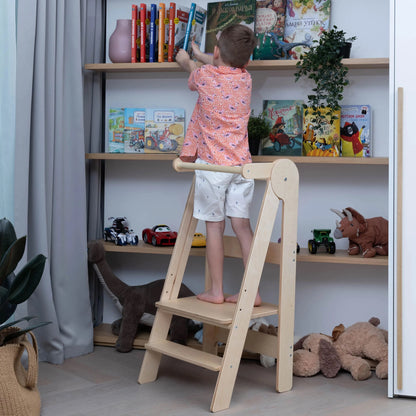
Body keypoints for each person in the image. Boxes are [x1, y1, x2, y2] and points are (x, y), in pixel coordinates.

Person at [175, 24, 261, 306]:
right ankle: (253, 292)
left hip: (213, 167)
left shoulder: (203, 76)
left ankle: (216, 290)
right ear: (246, 61)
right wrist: (202, 53)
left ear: (216, 52)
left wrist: (187, 59)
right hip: (240, 167)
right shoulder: (246, 79)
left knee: (214, 227)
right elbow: (222, 64)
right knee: (243, 227)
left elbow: (192, 74)